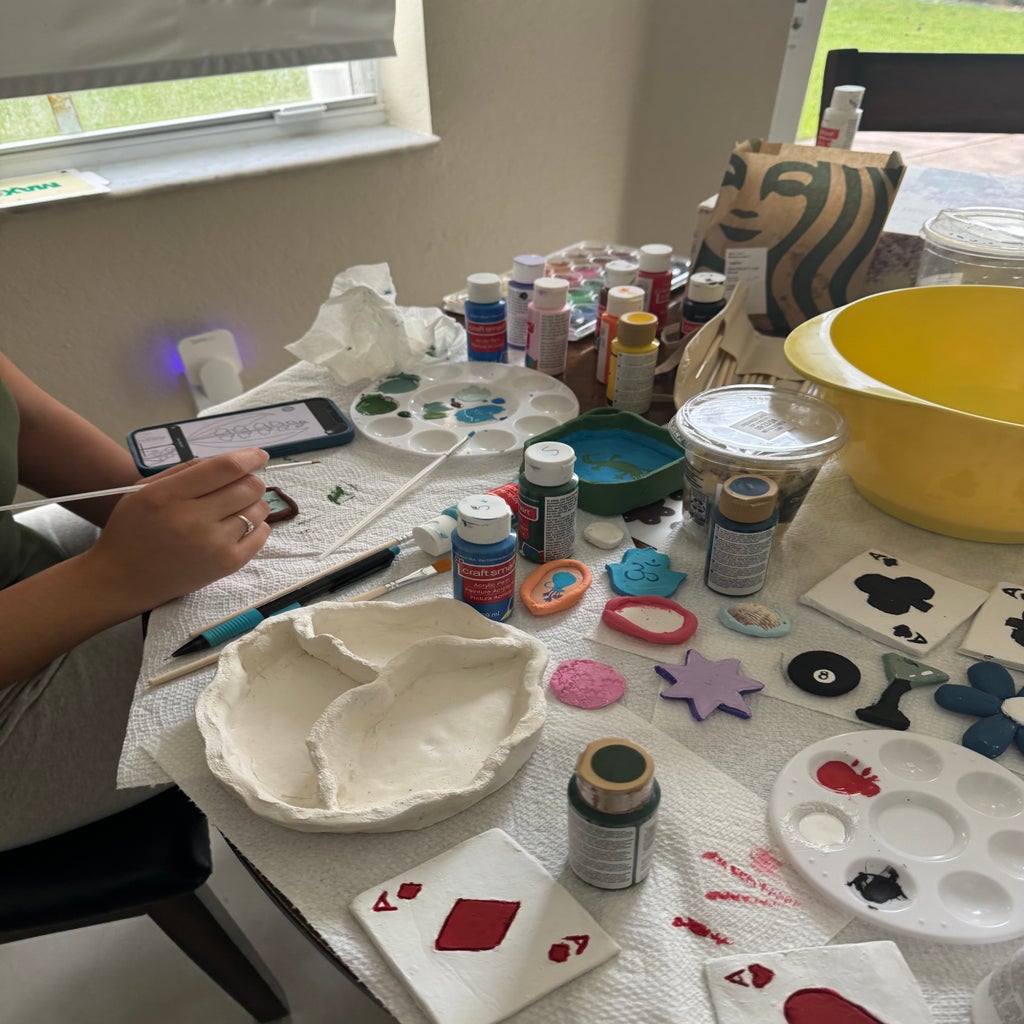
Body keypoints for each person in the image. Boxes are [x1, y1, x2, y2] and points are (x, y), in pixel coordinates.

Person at [0, 351, 270, 851]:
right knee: (281, 663)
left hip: (25, 568)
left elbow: (24, 419)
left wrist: (150, 502)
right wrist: (116, 575)